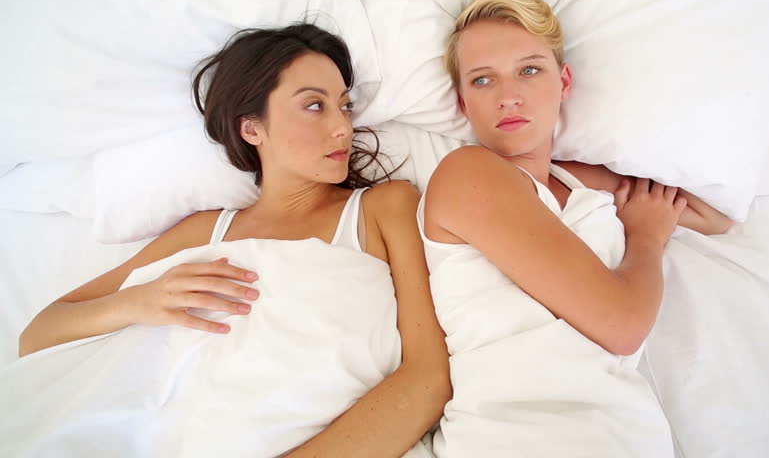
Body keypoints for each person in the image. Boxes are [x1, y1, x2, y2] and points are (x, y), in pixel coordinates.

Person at [14, 23, 450, 457]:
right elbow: (38, 335)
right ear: (251, 129)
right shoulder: (205, 231)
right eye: (314, 106)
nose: (342, 127)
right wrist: (138, 301)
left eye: (345, 106)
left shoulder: (383, 208)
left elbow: (428, 376)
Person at [419, 0, 733, 457]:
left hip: (625, 435)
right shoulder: (467, 175)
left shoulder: (584, 181)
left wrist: (611, 173)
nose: (509, 96)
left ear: (564, 82)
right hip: (513, 438)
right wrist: (644, 237)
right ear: (463, 103)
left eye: (529, 70)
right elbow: (623, 325)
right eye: (483, 81)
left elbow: (713, 216)